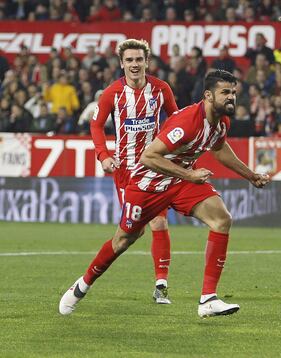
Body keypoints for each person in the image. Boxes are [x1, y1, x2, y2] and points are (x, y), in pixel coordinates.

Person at [59, 70, 270, 318]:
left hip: (180, 181)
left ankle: (208, 299)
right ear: (208, 95)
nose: (231, 97)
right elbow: (149, 156)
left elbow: (220, 148)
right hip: (149, 184)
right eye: (225, 92)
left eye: (233, 92)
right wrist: (190, 175)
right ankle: (82, 285)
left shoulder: (220, 121)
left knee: (222, 219)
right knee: (124, 240)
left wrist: (250, 175)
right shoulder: (188, 121)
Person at [59, 39, 178, 312]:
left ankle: (161, 285)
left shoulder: (161, 89)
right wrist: (103, 155)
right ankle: (82, 284)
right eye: (130, 60)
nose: (135, 65)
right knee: (129, 236)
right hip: (127, 173)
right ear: (122, 64)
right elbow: (96, 125)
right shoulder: (113, 93)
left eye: (139, 60)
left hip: (156, 168)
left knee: (160, 224)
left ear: (146, 62)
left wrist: (173, 150)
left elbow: (175, 119)